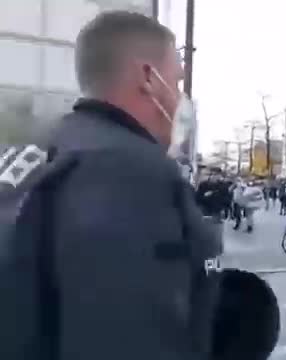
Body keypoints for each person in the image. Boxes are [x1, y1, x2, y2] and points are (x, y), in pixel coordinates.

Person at [44, 12, 223, 360]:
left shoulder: (43, 148)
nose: (179, 96)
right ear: (148, 77)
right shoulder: (134, 172)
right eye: (178, 80)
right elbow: (136, 333)